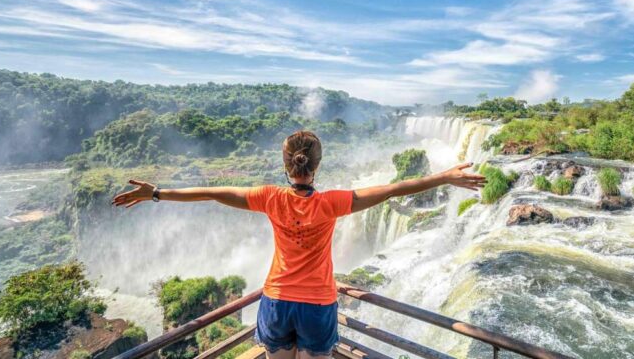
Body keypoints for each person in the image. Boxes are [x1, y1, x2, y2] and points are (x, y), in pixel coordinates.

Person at [112, 130, 486, 359]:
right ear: (316, 167)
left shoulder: (269, 197)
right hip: (318, 305)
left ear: (286, 165)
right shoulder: (332, 202)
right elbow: (391, 191)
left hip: (276, 302)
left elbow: (212, 193)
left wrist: (157, 193)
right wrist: (442, 178)